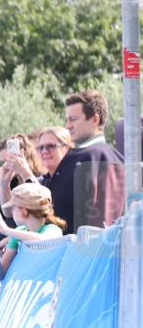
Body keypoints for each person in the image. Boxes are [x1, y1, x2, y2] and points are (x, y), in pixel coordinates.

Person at [48, 91, 125, 231]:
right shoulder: (115, 158)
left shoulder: (91, 158)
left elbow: (100, 220)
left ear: (95, 119)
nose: (67, 125)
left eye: (73, 119)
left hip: (84, 249)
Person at [0, 183, 66, 280]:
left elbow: (43, 240)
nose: (11, 212)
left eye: (13, 208)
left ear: (24, 212)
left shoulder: (52, 229)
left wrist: (6, 230)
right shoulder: (18, 232)